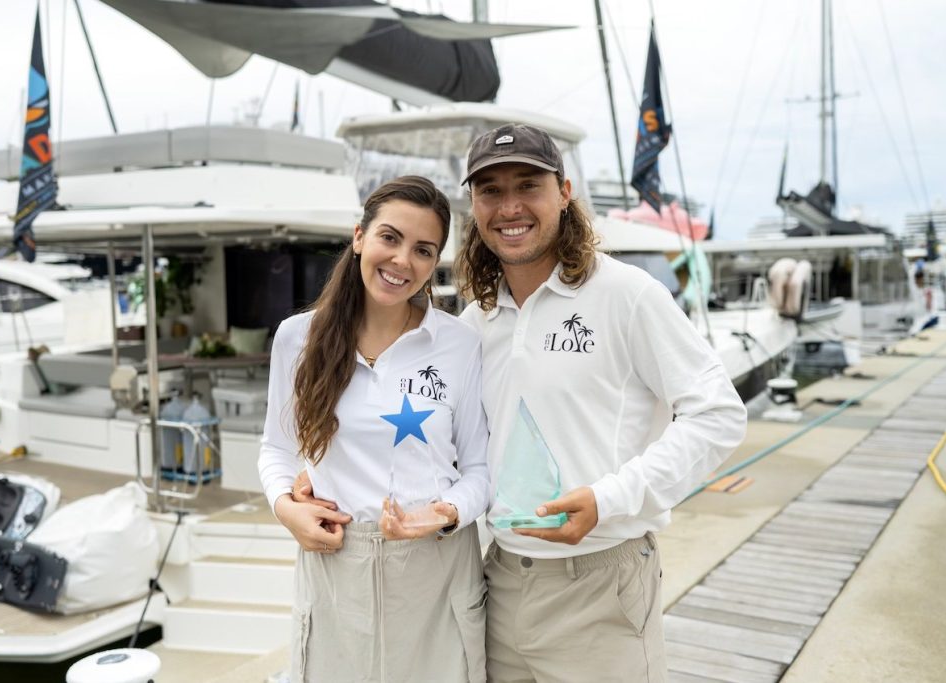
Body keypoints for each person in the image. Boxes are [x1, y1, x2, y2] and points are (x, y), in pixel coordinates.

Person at [455, 124, 747, 682]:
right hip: (498, 582)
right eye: (490, 190)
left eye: (528, 186)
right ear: (474, 205)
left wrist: (610, 498)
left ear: (564, 193)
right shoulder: (477, 320)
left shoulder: (627, 295)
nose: (509, 206)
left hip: (601, 581)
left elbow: (718, 414)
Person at [258, 176, 491, 683]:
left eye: (423, 250)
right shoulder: (297, 338)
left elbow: (479, 469)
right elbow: (277, 448)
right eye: (390, 238)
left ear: (435, 263)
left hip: (438, 565)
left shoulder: (459, 344)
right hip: (337, 564)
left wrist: (446, 513)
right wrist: (285, 509)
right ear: (360, 236)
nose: (403, 261)